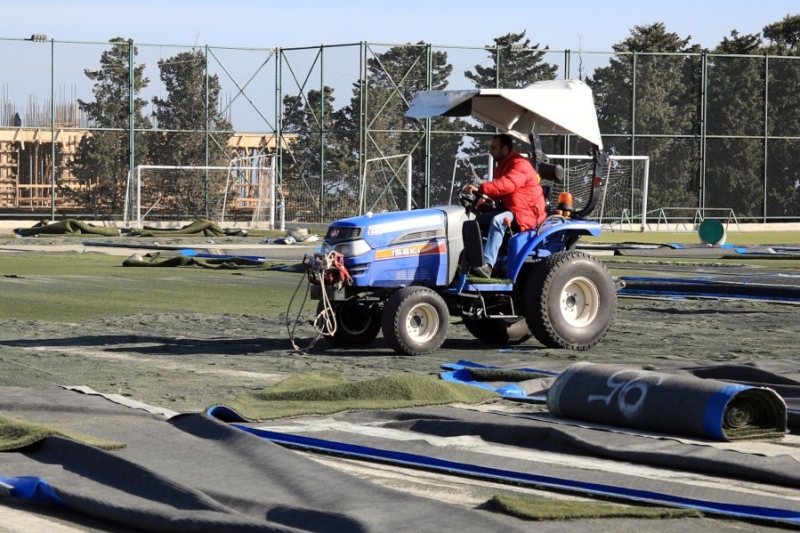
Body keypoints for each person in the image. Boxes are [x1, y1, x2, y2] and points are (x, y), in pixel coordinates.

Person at [461, 134, 547, 278]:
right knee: (477, 220)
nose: (490, 151)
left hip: (526, 213)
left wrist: (481, 189)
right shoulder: (502, 167)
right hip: (512, 209)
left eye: (493, 148)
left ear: (505, 149)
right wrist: (484, 200)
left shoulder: (520, 165)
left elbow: (507, 185)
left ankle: (487, 265)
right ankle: (470, 259)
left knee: (498, 221)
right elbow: (500, 192)